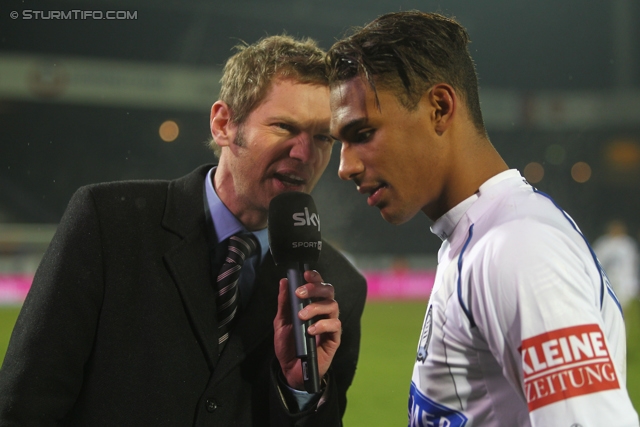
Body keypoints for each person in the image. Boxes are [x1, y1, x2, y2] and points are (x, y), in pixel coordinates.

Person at [0, 35, 367, 426]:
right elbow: (25, 405)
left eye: (322, 137)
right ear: (224, 123)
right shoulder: (107, 223)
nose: (304, 154)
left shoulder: (336, 287)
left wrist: (301, 391)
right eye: (283, 127)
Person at [326, 11, 638, 427]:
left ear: (439, 108)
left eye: (362, 134)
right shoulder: (475, 239)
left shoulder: (519, 249)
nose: (344, 167)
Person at [593, 219, 639, 310]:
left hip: (624, 282)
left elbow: (633, 266)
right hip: (607, 280)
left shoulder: (628, 244)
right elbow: (595, 261)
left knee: (623, 308)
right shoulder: (603, 243)